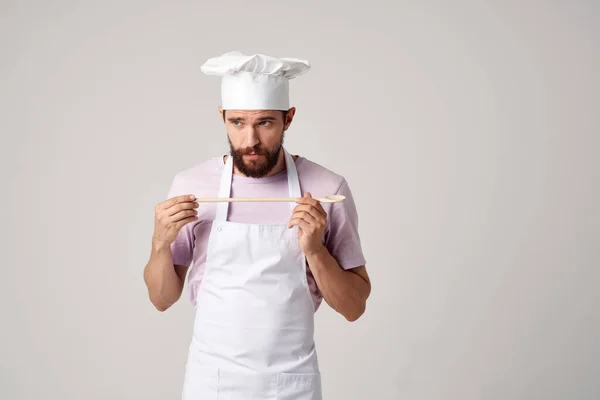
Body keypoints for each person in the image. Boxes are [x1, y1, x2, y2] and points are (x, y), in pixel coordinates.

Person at [143, 51, 371, 399]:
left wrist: (314, 251)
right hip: (212, 383)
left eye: (264, 122)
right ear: (222, 118)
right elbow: (161, 299)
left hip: (291, 384)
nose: (249, 140)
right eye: (237, 122)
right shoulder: (193, 186)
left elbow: (354, 307)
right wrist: (160, 243)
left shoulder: (326, 190)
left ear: (288, 118)